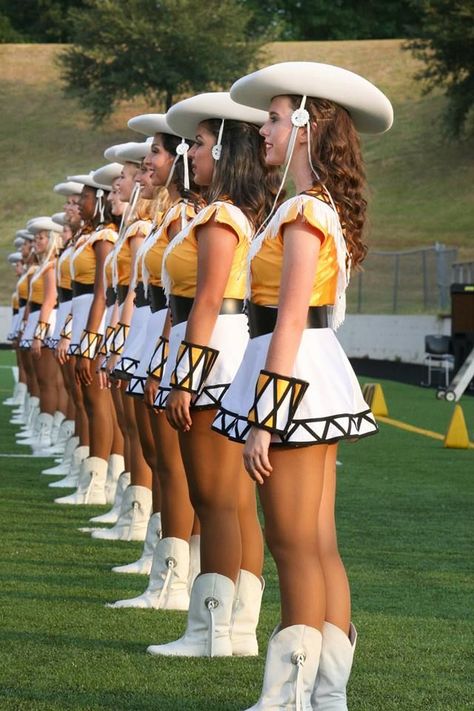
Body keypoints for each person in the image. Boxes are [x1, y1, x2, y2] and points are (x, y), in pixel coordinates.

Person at [212, 62, 393, 709]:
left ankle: (291, 697)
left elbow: (288, 318)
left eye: (278, 117)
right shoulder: (315, 207)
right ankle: (326, 696)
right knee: (315, 542)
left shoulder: (303, 210)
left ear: (309, 127)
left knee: (294, 544)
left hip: (292, 379)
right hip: (314, 377)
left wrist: (266, 416)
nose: (266, 128)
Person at [145, 92, 279, 658]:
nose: (190, 153)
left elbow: (204, 302)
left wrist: (185, 376)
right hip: (222, 353)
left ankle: (210, 631)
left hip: (212, 354)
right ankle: (237, 628)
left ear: (223, 148)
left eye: (198, 143)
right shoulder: (225, 211)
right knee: (230, 501)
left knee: (216, 501)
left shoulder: (222, 216)